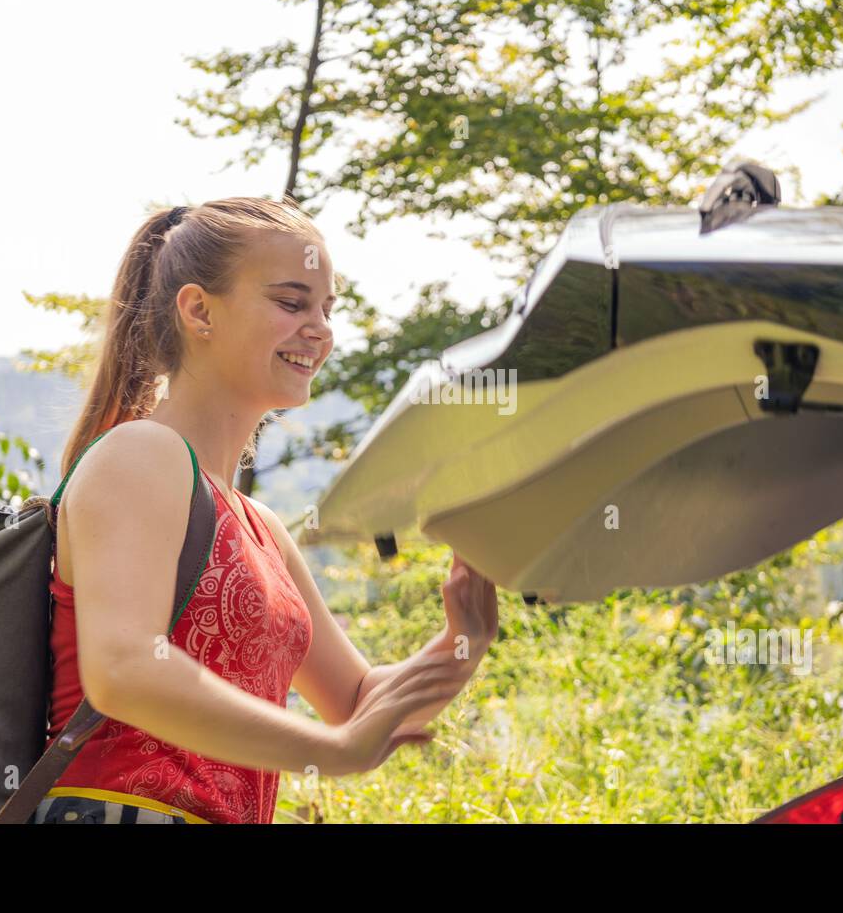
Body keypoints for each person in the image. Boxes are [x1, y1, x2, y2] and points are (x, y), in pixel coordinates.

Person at [32, 197, 498, 824]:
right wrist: (330, 753)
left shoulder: (262, 529)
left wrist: (463, 641)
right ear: (199, 310)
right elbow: (124, 669)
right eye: (291, 302)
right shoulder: (140, 455)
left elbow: (358, 705)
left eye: (327, 309)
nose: (321, 329)